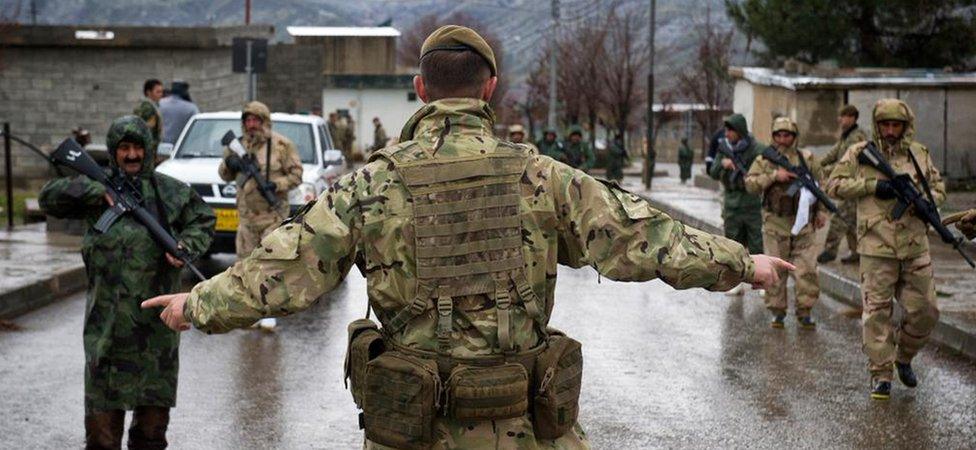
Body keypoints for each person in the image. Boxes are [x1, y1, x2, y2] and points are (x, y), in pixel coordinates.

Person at [143, 25, 793, 449]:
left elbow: (282, 271)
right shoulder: (543, 177)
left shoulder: (372, 184)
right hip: (523, 426)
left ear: (420, 90)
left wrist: (193, 305)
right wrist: (745, 263)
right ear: (491, 89)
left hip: (413, 428)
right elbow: (642, 237)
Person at [39, 116, 214, 449]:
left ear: (147, 150)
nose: (132, 155)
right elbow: (49, 197)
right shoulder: (96, 190)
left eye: (138, 148)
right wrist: (94, 188)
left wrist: (186, 246)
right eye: (124, 148)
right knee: (101, 437)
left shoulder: (169, 192)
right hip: (105, 334)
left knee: (150, 436)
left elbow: (203, 220)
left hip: (156, 339)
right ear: (113, 151)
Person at [827, 99, 945, 401]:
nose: (891, 131)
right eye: (885, 125)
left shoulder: (919, 154)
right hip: (876, 248)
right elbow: (834, 185)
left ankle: (903, 357)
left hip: (915, 246)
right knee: (876, 314)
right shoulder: (859, 153)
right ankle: (881, 374)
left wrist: (927, 203)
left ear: (906, 127)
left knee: (927, 311)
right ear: (878, 125)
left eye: (897, 125)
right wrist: (872, 187)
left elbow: (939, 189)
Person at [217, 101, 303, 331]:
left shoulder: (282, 145)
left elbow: (297, 175)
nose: (251, 125)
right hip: (246, 219)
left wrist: (277, 185)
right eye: (248, 120)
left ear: (265, 121)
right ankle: (248, 313)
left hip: (272, 215)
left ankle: (268, 312)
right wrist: (229, 163)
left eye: (256, 120)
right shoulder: (237, 145)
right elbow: (224, 174)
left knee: (270, 265)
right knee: (245, 266)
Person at [745, 117, 827, 328]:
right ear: (773, 137)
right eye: (778, 135)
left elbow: (821, 186)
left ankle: (805, 311)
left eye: (787, 135)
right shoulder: (764, 160)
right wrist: (774, 176)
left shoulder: (806, 158)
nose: (783, 139)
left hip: (803, 225)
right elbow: (750, 185)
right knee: (774, 272)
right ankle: (777, 312)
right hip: (775, 224)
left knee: (807, 270)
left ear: (794, 136)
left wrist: (821, 212)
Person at [708, 113, 764, 295]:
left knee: (756, 243)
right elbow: (713, 172)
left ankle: (760, 279)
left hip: (751, 202)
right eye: (726, 130)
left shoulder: (755, 148)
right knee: (733, 245)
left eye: (731, 130)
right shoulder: (724, 148)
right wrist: (723, 164)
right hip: (732, 203)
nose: (727, 133)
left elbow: (765, 164)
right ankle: (736, 282)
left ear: (739, 131)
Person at [818, 105, 869, 264]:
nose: (840, 119)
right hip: (847, 183)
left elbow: (844, 163)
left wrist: (824, 171)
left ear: (853, 117)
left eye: (844, 116)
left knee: (840, 217)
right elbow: (833, 153)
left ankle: (830, 251)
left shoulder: (856, 138)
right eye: (840, 116)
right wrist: (816, 165)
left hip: (855, 183)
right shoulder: (846, 136)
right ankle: (857, 252)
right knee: (851, 221)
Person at [159, 80, 200, 145]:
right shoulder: (191, 108)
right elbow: (198, 128)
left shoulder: (160, 103)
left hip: (162, 146)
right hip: (182, 147)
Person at [134, 79, 164, 147]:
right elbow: (148, 131)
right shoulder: (148, 108)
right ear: (148, 92)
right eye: (158, 92)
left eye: (161, 92)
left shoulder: (146, 106)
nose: (161, 94)